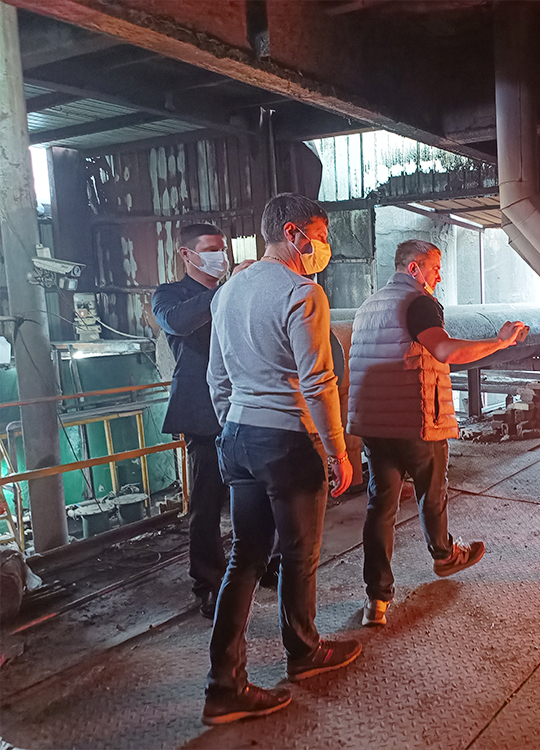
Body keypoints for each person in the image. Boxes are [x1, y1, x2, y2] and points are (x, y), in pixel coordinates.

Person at [203, 193, 359, 725]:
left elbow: (216, 376)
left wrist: (233, 424)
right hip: (286, 438)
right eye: (318, 234)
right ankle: (304, 653)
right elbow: (318, 380)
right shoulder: (303, 292)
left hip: (238, 435)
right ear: (293, 234)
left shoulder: (227, 292)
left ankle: (224, 684)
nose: (322, 247)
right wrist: (338, 451)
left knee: (246, 555)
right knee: (299, 553)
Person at [347, 240, 527, 627]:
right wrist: (500, 341)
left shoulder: (368, 308)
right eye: (435, 268)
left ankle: (376, 601)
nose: (438, 276)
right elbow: (445, 351)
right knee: (433, 494)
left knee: (381, 509)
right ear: (414, 269)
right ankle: (445, 556)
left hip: (375, 427)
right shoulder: (419, 303)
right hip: (417, 422)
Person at [152, 224, 253, 619]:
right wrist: (224, 291)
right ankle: (208, 585)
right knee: (207, 502)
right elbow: (178, 322)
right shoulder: (170, 296)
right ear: (186, 255)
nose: (220, 256)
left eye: (223, 249)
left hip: (244, 402)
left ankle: (261, 564)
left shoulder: (231, 292)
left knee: (256, 492)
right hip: (202, 411)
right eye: (211, 249)